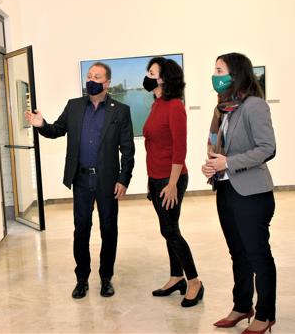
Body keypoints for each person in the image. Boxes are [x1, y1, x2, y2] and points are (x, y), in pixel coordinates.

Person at [25, 62, 135, 299]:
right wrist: (41, 125)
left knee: (109, 229)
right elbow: (56, 130)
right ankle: (82, 279)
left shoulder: (121, 111)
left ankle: (106, 278)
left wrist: (123, 179)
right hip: (81, 180)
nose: (91, 80)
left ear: (107, 83)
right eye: (89, 75)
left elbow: (127, 150)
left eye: (97, 77)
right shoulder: (74, 106)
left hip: (107, 181)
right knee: (81, 230)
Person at [202, 52, 276, 334]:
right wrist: (213, 166)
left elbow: (267, 148)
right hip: (226, 188)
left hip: (252, 194)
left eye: (219, 69)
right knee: (238, 254)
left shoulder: (255, 106)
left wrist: (229, 163)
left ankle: (265, 314)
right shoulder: (222, 108)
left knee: (258, 255)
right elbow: (220, 149)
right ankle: (242, 305)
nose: (215, 75)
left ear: (235, 74)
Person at [142, 57, 203, 307]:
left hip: (171, 178)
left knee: (170, 230)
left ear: (163, 78)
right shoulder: (156, 104)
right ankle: (176, 277)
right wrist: (151, 181)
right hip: (156, 178)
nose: (146, 76)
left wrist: (172, 184)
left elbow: (180, 149)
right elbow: (153, 145)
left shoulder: (175, 106)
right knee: (168, 229)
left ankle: (194, 281)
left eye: (151, 72)